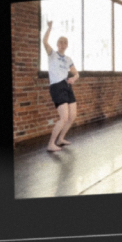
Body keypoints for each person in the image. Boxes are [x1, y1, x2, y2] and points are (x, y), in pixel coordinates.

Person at [43, 20, 79, 151]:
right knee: (63, 117)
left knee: (72, 116)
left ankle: (60, 139)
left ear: (67, 45)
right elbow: (45, 42)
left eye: (65, 42)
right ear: (57, 44)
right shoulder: (52, 54)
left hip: (67, 86)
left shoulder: (68, 59)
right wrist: (49, 28)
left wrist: (74, 78)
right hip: (57, 87)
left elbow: (76, 73)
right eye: (61, 42)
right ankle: (50, 144)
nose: (63, 44)